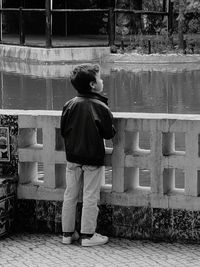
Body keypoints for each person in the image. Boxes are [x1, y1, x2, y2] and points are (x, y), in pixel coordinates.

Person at [60, 64, 116, 247]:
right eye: (100, 79)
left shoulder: (69, 105)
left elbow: (63, 131)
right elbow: (109, 133)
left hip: (73, 157)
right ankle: (87, 236)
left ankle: (67, 234)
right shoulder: (100, 106)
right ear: (93, 84)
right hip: (92, 158)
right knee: (91, 196)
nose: (102, 81)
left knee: (70, 195)